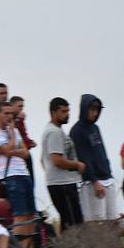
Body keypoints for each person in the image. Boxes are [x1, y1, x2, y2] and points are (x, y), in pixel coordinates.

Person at [0, 101, 37, 248]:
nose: (10, 117)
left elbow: (25, 152)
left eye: (11, 113)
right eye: (6, 113)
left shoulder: (12, 129)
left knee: (30, 215)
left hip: (24, 173)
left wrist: (7, 149)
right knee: (20, 215)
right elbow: (8, 149)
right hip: (11, 176)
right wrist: (12, 135)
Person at [70, 94, 118, 221]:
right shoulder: (77, 131)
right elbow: (83, 157)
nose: (95, 113)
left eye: (97, 110)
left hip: (107, 178)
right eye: (92, 109)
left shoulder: (95, 128)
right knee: (98, 221)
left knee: (113, 220)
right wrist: (94, 181)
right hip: (92, 182)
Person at [41, 97, 84, 230]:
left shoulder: (57, 131)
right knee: (73, 224)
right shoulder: (53, 132)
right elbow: (56, 160)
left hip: (63, 182)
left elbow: (42, 159)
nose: (67, 114)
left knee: (71, 222)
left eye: (68, 111)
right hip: (62, 184)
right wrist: (77, 165)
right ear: (53, 113)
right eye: (63, 111)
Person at [9, 96, 37, 178]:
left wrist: (29, 142)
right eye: (19, 106)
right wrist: (20, 120)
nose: (21, 109)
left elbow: (23, 135)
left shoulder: (17, 119)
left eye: (22, 107)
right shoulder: (12, 121)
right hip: (18, 155)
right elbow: (19, 134)